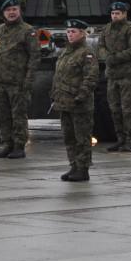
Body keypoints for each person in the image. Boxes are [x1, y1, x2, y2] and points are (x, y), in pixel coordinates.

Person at [0, 0, 41, 159]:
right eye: (8, 10)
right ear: (3, 13)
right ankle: (7, 144)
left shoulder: (27, 31)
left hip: (17, 81)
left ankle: (19, 146)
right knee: (2, 115)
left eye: (14, 10)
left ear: (19, 11)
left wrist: (28, 79)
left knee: (18, 115)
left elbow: (35, 56)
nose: (11, 13)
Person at [50, 18, 99, 182]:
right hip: (64, 102)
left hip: (79, 104)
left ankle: (83, 168)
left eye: (74, 32)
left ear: (83, 34)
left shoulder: (87, 52)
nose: (70, 35)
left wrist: (81, 96)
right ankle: (74, 166)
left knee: (82, 138)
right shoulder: (66, 51)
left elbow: (91, 78)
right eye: (69, 32)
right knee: (69, 137)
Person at [97, 1, 131, 153]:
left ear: (125, 14)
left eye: (118, 13)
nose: (115, 16)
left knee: (128, 110)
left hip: (127, 76)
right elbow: (101, 45)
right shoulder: (107, 29)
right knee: (115, 110)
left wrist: (115, 58)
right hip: (112, 76)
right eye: (113, 13)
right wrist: (106, 56)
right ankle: (121, 139)